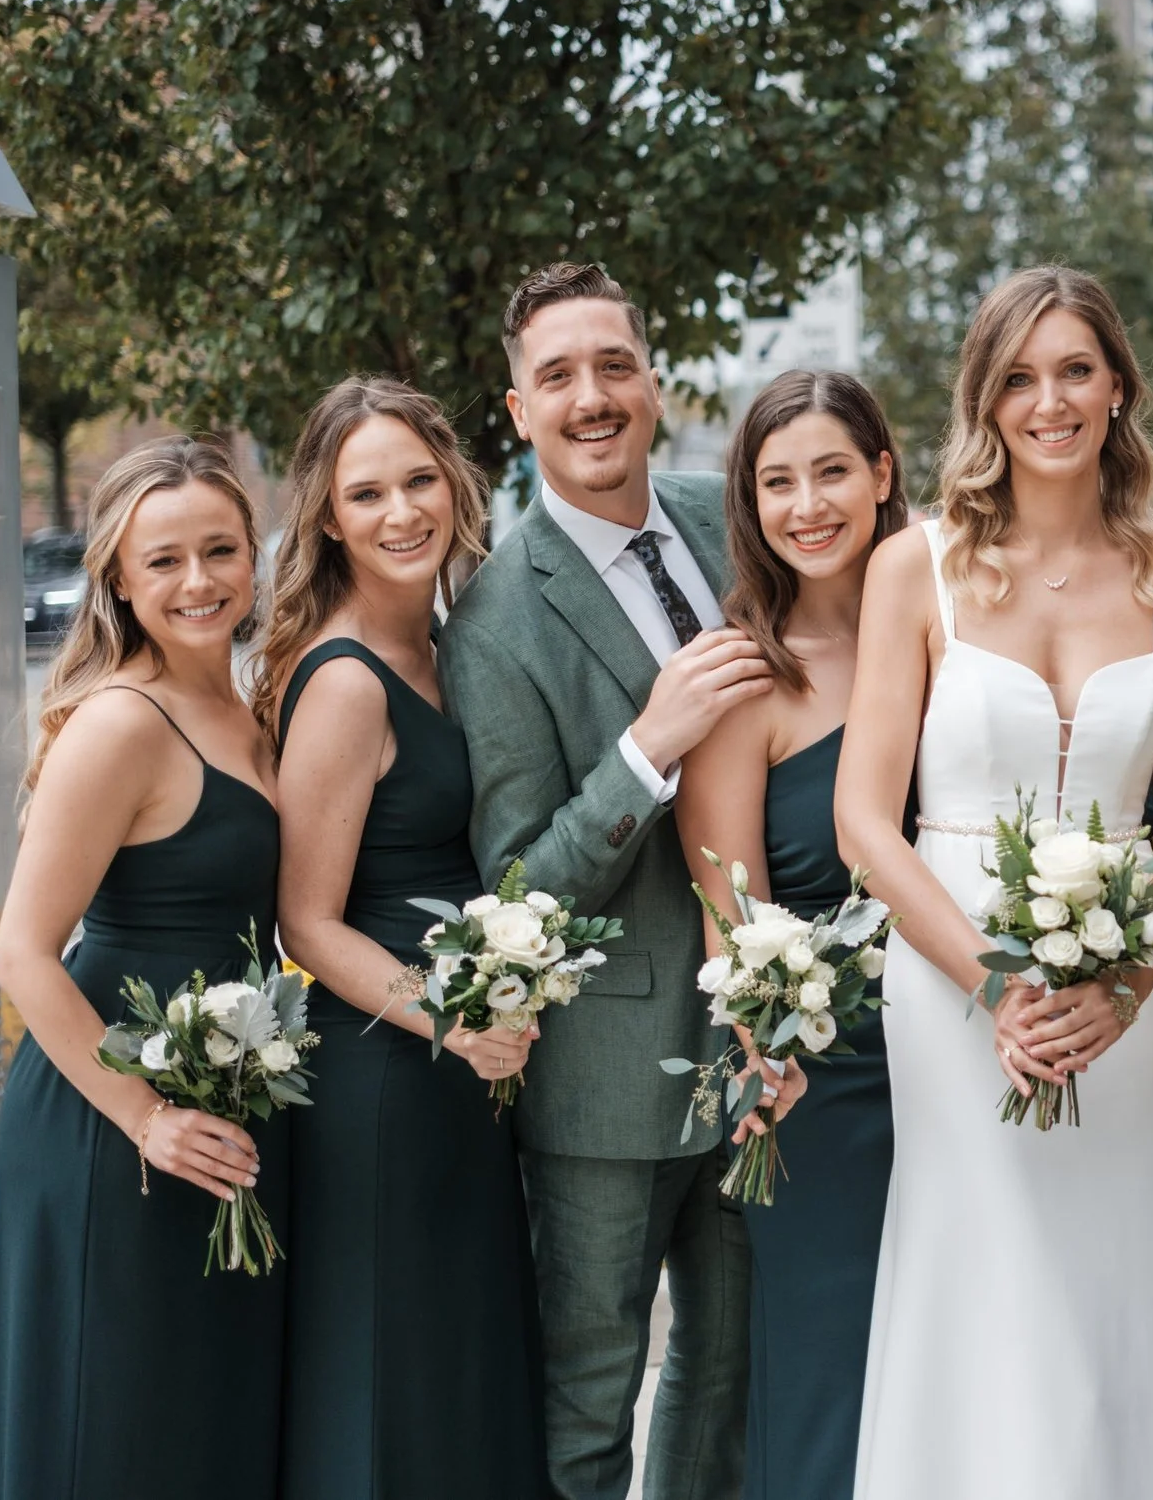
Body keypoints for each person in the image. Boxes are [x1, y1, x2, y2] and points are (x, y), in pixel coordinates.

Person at [836, 266, 1153, 1499]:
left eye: (1073, 370)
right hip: (954, 990)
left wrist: (1120, 989)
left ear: (1118, 385)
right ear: (984, 400)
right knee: (986, 1280)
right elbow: (864, 816)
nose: (1048, 401)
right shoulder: (918, 567)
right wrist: (996, 984)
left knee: (1114, 1289)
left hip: (1134, 1000)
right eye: (1018, 377)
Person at [439, 263, 775, 1500]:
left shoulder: (727, 517)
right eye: (558, 376)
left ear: (650, 379)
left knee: (730, 1378)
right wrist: (650, 744)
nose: (593, 396)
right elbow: (519, 886)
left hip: (764, 1050)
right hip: (600, 1081)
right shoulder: (490, 619)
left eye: (614, 365)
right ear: (517, 409)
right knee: (588, 1402)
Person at [0, 439, 286, 1499]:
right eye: (163, 560)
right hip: (109, 1117)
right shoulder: (120, 721)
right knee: (110, 1425)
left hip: (214, 1103)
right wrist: (144, 1113)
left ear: (256, 555)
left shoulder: (247, 705)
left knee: (185, 1422)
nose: (197, 580)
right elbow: (20, 950)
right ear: (118, 574)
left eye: (219, 549)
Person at [257, 377, 544, 1498]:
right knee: (390, 1372)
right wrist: (457, 1019)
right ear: (329, 515)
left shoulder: (443, 641)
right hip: (383, 1072)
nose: (400, 511)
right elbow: (305, 918)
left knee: (453, 1369)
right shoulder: (344, 680)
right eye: (365, 492)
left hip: (458, 1071)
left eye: (419, 480)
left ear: (456, 483)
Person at [673, 369, 909, 1500]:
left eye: (829, 470)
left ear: (883, 473)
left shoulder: (960, 640)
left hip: (980, 1050)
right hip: (823, 1080)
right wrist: (765, 1048)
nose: (807, 503)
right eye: (776, 481)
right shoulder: (742, 677)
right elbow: (732, 909)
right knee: (830, 1379)